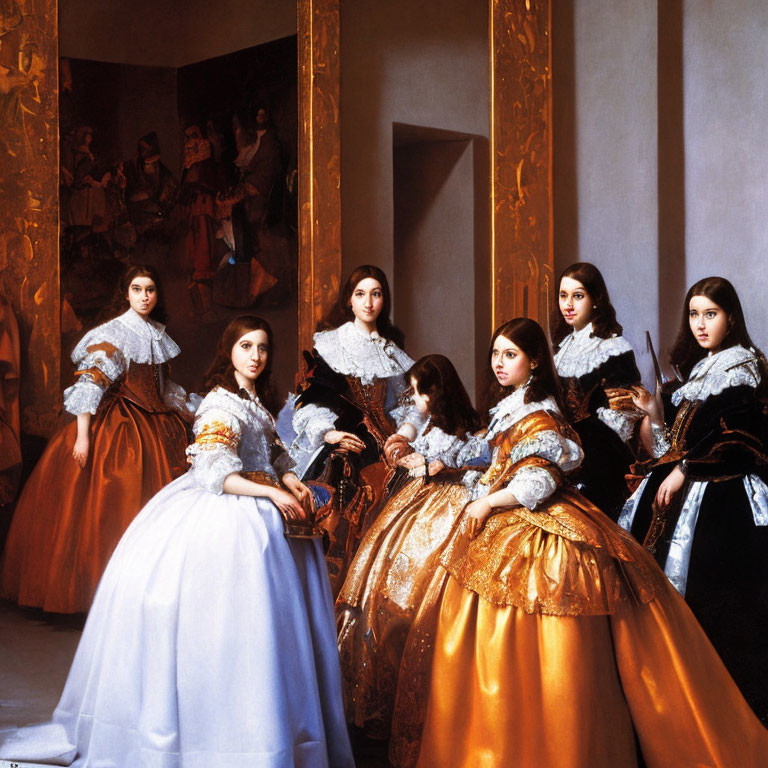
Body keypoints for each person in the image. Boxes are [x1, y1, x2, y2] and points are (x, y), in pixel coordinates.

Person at [389, 318, 768, 768]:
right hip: (511, 519)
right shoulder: (513, 407)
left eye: (511, 355)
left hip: (539, 525)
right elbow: (501, 466)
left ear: (533, 362)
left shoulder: (541, 412)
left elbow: (538, 479)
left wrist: (488, 503)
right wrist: (466, 479)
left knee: (548, 641)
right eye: (496, 354)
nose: (500, 363)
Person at [0, 316, 355, 768]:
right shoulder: (220, 403)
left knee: (272, 629)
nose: (255, 356)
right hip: (226, 513)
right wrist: (271, 490)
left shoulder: (256, 403)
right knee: (229, 628)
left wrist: (288, 477)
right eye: (246, 346)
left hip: (262, 505)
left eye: (263, 348)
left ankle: (282, 730)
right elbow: (214, 470)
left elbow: (274, 450)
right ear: (229, 351)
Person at [1, 265, 195, 613]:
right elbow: (90, 384)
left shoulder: (157, 333)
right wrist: (83, 437)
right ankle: (105, 597)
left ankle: (148, 594)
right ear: (126, 293)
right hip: (120, 428)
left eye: (150, 289)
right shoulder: (114, 333)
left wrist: (185, 408)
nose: (145, 296)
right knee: (110, 506)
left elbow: (163, 390)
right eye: (137, 289)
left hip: (156, 425)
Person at [620, 276, 768, 721]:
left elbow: (743, 443)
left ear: (731, 318)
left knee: (717, 610)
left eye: (711, 314)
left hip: (723, 505)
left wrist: (686, 470)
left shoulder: (741, 371)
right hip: (686, 494)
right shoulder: (702, 370)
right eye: (694, 314)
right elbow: (672, 448)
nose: (701, 324)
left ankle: (724, 719)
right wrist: (652, 415)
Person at [336, 354, 482, 739]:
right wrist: (409, 454)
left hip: (449, 509)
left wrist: (441, 466)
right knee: (381, 579)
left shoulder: (470, 430)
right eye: (414, 391)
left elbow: (475, 465)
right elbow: (410, 447)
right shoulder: (429, 424)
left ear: (441, 391)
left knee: (421, 592)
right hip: (416, 504)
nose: (416, 400)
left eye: (422, 393)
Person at [289, 265, 420, 594]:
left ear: (383, 300)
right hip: (345, 437)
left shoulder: (390, 349)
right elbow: (311, 403)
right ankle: (341, 590)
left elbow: (407, 404)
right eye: (361, 294)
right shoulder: (333, 345)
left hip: (388, 438)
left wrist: (403, 433)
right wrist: (328, 434)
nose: (369, 302)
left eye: (376, 294)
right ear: (349, 300)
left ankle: (379, 591)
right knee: (351, 483)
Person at [552, 262, 642, 519]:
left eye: (577, 296)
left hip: (600, 454)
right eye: (563, 295)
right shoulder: (564, 346)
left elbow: (623, 414)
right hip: (563, 445)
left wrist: (583, 449)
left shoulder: (613, 347)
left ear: (595, 300)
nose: (568, 304)